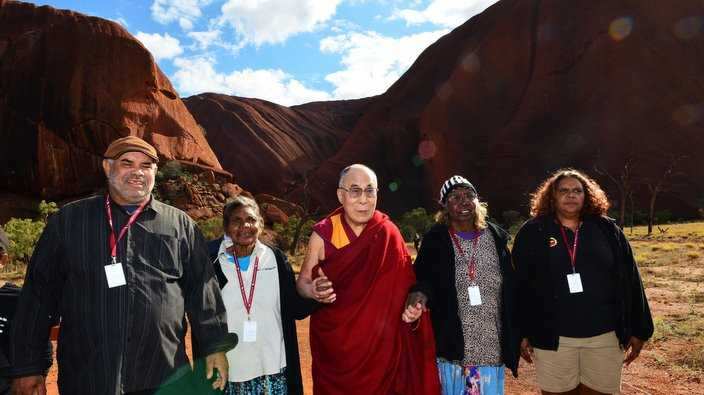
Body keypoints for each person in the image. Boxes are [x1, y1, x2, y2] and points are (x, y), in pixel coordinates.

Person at [10, 136, 237, 395]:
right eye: (127, 163)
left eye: (146, 165)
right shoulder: (68, 222)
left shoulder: (181, 226)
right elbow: (37, 298)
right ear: (107, 168)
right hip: (89, 378)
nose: (137, 172)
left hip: (163, 375)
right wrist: (27, 367)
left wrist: (214, 350)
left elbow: (204, 296)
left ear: (155, 172)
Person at [296, 164, 440, 395]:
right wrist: (312, 290)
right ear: (340, 195)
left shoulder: (388, 233)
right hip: (336, 349)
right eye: (355, 191)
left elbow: (405, 287)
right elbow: (302, 283)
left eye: (369, 190)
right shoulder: (324, 233)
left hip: (382, 350)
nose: (363, 199)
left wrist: (412, 307)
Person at [513, 168, 654, 395]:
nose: (571, 195)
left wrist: (641, 328)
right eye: (564, 191)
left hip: (604, 335)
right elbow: (519, 286)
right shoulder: (533, 232)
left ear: (586, 196)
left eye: (577, 191)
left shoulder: (607, 229)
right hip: (552, 337)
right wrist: (519, 331)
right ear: (552, 196)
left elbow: (631, 279)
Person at [402, 175, 520, 395]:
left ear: (477, 201)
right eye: (455, 197)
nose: (463, 201)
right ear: (444, 206)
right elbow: (423, 278)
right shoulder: (435, 240)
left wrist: (520, 333)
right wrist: (420, 294)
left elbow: (511, 288)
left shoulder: (495, 237)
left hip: (490, 345)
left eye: (469, 195)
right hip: (453, 346)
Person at [207, 195, 314, 394]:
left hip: (273, 369)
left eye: (250, 219)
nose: (245, 225)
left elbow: (294, 308)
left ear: (261, 223)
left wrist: (314, 294)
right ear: (226, 227)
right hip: (231, 372)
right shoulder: (211, 262)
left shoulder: (275, 259)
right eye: (236, 221)